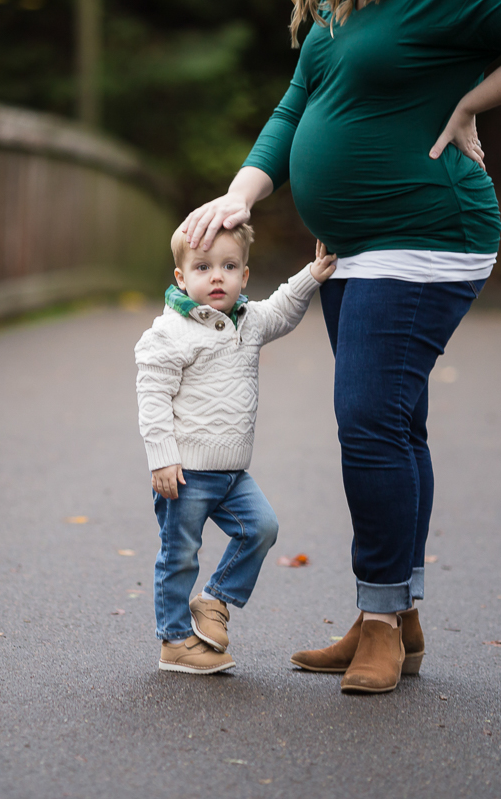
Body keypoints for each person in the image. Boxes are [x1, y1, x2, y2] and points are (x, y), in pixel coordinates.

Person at [183, 0, 501, 693]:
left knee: (370, 422)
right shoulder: (335, 12)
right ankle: (397, 615)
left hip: (425, 235)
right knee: (396, 424)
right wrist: (241, 194)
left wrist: (470, 104)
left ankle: (381, 620)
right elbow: (295, 108)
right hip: (352, 251)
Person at [135, 223, 337, 674]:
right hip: (185, 473)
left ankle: (214, 601)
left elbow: (283, 309)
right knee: (179, 554)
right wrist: (162, 458)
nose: (218, 277)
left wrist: (313, 274)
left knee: (262, 527)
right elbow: (152, 399)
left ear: (245, 276)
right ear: (181, 278)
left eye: (229, 267)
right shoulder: (171, 333)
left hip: (232, 473)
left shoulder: (247, 322)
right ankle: (174, 640)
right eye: (204, 268)